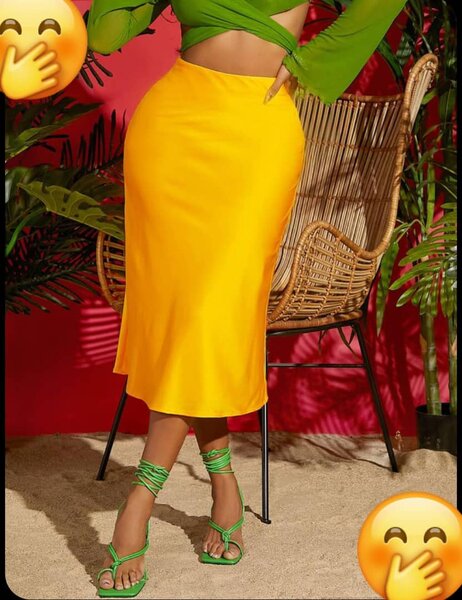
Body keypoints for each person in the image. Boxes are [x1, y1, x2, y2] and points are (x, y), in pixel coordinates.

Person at [86, 0, 406, 596]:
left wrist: (312, 67)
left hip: (257, 134)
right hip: (173, 126)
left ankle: (138, 503)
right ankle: (224, 482)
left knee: (209, 315)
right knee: (189, 323)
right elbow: (105, 34)